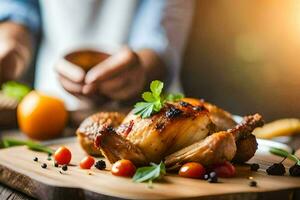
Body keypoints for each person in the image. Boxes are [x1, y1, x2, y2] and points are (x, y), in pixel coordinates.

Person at [0, 0, 194, 110]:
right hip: (48, 110)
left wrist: (140, 71)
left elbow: (159, 36)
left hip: (142, 113)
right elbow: (20, 7)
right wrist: (11, 50)